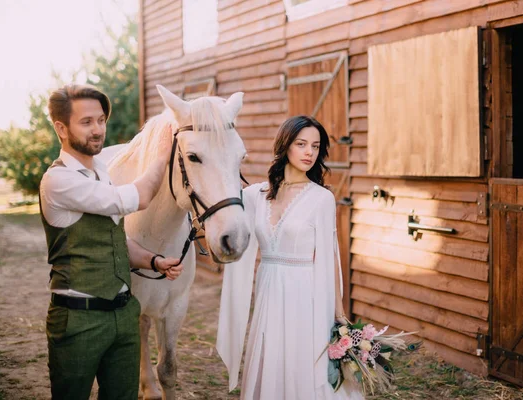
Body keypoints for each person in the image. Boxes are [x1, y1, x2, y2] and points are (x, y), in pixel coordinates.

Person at [39, 83, 183, 400]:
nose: (98, 130)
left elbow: (114, 238)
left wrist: (154, 261)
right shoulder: (58, 180)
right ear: (61, 128)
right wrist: (161, 154)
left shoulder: (103, 172)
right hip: (79, 319)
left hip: (123, 314)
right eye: (87, 121)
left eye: (101, 120)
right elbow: (138, 197)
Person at [217, 115, 363, 399]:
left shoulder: (322, 198)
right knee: (270, 351)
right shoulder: (255, 195)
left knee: (303, 359)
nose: (310, 152)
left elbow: (330, 257)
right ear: (285, 146)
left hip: (305, 292)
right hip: (269, 286)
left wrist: (339, 314)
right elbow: (221, 211)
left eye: (316, 146)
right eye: (301, 144)